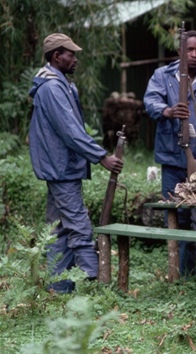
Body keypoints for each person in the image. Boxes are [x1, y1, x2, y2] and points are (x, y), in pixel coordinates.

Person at [28, 33, 124, 293]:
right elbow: (71, 131)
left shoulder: (64, 85)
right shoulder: (51, 88)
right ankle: (100, 285)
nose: (75, 58)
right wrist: (101, 156)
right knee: (79, 226)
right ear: (56, 56)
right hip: (61, 168)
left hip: (63, 166)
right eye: (71, 54)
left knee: (59, 230)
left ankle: (59, 288)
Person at [143, 30, 196, 277]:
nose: (193, 54)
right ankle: (181, 275)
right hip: (172, 156)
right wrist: (167, 111)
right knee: (175, 215)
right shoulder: (163, 75)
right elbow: (150, 102)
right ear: (180, 51)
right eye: (189, 49)